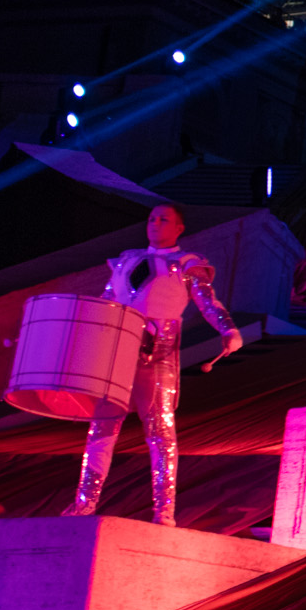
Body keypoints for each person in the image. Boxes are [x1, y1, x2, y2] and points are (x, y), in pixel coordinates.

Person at [68, 203, 245, 523]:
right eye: (151, 218)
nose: (155, 223)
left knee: (160, 431)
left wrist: (228, 328)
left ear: (179, 228)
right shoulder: (126, 261)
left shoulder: (187, 264)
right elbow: (106, 303)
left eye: (164, 219)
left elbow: (208, 302)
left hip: (158, 351)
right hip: (119, 348)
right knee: (101, 429)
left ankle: (164, 511)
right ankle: (85, 503)